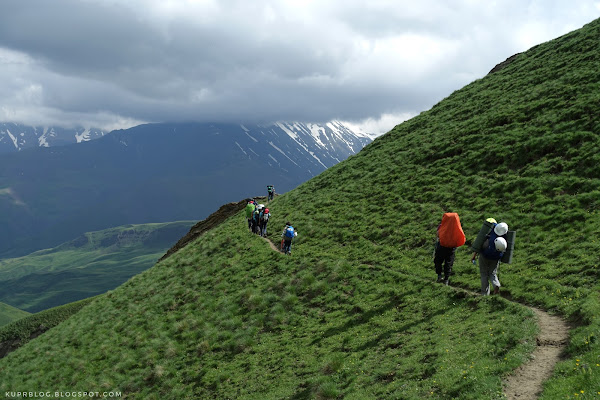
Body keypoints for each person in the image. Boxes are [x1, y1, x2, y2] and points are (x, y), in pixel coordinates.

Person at [472, 222, 508, 295]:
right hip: (496, 258)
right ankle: (496, 284)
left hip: (484, 256)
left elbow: (481, 243)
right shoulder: (504, 236)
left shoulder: (491, 232)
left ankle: (485, 294)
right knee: (492, 273)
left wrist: (474, 255)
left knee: (484, 274)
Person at [434, 212, 465, 285]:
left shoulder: (442, 226)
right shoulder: (456, 228)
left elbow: (438, 234)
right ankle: (446, 279)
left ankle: (439, 276)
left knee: (438, 260)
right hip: (451, 248)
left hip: (441, 246)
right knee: (448, 263)